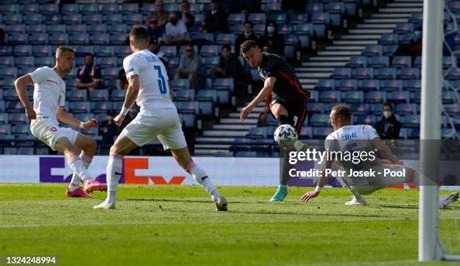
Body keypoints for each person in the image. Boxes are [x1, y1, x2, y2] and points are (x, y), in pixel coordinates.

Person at [94, 26, 227, 210]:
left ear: (131, 42)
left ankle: (110, 201)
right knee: (187, 162)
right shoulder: (158, 60)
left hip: (151, 111)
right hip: (170, 112)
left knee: (116, 151)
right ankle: (215, 194)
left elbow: (133, 86)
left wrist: (122, 114)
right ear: (147, 42)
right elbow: (169, 91)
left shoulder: (132, 59)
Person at [300, 105, 460, 209]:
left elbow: (326, 166)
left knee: (333, 161)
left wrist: (317, 190)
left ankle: (358, 198)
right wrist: (396, 163)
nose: (329, 120)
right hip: (376, 178)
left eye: (331, 117)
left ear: (339, 119)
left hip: (356, 184)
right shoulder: (366, 128)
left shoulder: (332, 137)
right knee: (412, 174)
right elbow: (383, 148)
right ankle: (436, 202)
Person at [14, 46, 107, 198]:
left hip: (53, 124)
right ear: (58, 59)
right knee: (68, 147)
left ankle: (74, 188)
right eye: (68, 59)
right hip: (40, 122)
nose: (72, 63)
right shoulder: (45, 72)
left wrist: (83, 125)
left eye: (73, 60)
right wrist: (28, 108)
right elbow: (19, 82)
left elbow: (60, 114)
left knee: (90, 144)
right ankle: (88, 180)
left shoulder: (62, 84)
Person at [240, 40, 310, 201]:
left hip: (297, 103)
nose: (250, 60)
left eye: (252, 55)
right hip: (280, 99)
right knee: (277, 109)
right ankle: (293, 143)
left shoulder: (271, 62)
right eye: (247, 58)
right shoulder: (260, 66)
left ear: (259, 49)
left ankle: (283, 187)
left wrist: (250, 107)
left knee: (288, 150)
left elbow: (269, 86)